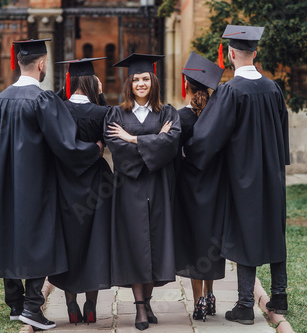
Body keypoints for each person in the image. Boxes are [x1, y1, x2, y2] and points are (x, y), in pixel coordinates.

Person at [0, 39, 102, 331]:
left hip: (5, 182)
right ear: (42, 64)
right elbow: (66, 144)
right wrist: (94, 149)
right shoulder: (42, 100)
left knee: (9, 233)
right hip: (35, 182)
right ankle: (33, 308)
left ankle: (15, 304)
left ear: (18, 62)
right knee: (39, 239)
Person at [184, 25, 290, 325]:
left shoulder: (231, 91)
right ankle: (279, 295)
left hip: (244, 176)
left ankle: (245, 305)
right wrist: (279, 162)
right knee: (273, 229)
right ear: (255, 54)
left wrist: (188, 152)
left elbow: (209, 137)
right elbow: (282, 131)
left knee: (246, 233)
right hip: (273, 173)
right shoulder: (273, 88)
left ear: (230, 54)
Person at [104, 53, 181, 331]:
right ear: (129, 83)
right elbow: (117, 148)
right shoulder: (116, 114)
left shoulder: (168, 112)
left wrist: (134, 138)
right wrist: (154, 140)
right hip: (129, 188)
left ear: (153, 81)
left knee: (155, 244)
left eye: (145, 78)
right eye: (136, 79)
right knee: (136, 244)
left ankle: (147, 300)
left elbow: (171, 144)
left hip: (159, 188)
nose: (140, 83)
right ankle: (139, 307)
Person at [48, 57, 112, 324]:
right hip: (96, 185)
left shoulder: (58, 110)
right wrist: (101, 96)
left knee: (69, 243)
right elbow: (110, 134)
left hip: (64, 184)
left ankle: (71, 306)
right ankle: (91, 306)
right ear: (92, 83)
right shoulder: (101, 113)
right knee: (94, 243)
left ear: (69, 82)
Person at [173, 51, 225, 322]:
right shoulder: (219, 117)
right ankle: (212, 294)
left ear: (187, 87)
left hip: (189, 191)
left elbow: (174, 152)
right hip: (215, 188)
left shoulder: (182, 117)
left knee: (194, 243)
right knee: (210, 242)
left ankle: (199, 301)